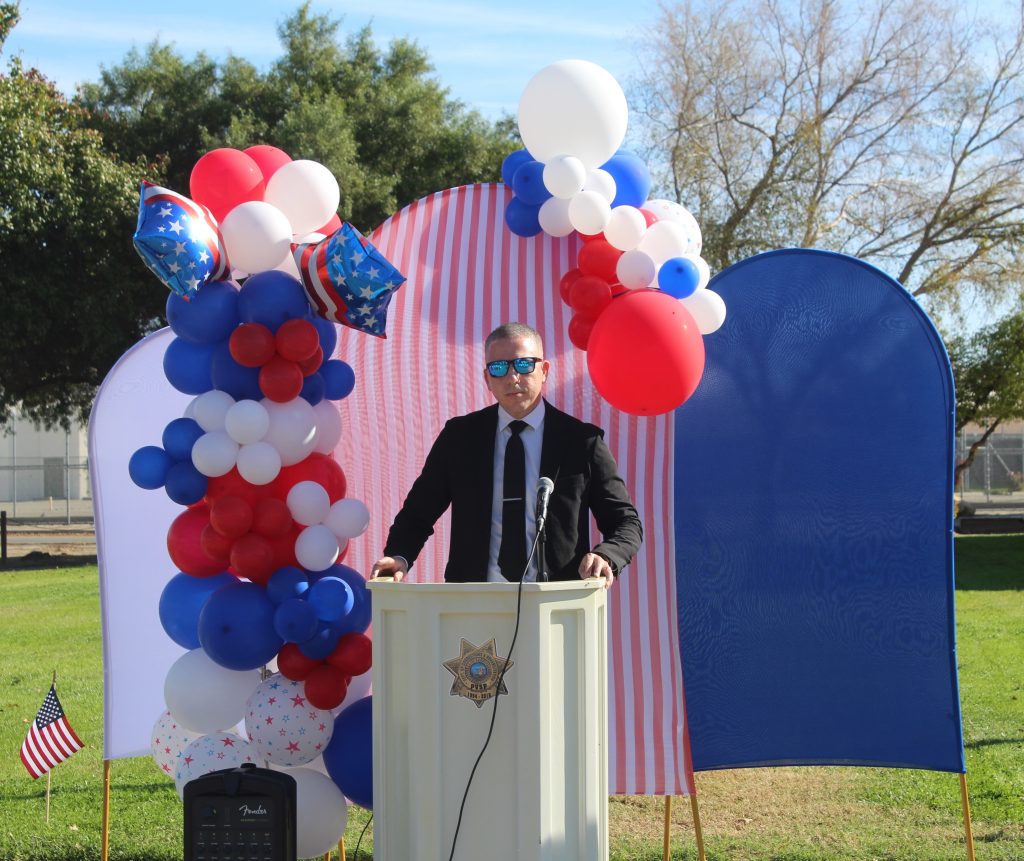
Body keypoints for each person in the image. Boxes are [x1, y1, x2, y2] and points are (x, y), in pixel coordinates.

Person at [370, 322, 642, 588]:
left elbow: (625, 522)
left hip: (555, 601)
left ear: (544, 370)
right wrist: (399, 555)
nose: (513, 378)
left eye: (524, 365)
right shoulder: (459, 437)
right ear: (487, 379)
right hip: (475, 600)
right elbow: (418, 513)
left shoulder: (581, 441)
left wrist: (607, 555)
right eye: (499, 368)